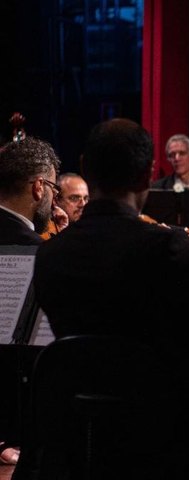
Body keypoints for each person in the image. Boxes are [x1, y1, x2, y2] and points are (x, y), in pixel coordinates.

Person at [24, 119, 189, 480]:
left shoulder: (51, 256)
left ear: (87, 169)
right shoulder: (169, 249)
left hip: (86, 444)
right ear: (147, 176)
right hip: (172, 444)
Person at [0, 137, 63, 466]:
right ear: (39, 187)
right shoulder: (38, 251)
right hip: (19, 420)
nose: (56, 200)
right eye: (54, 188)